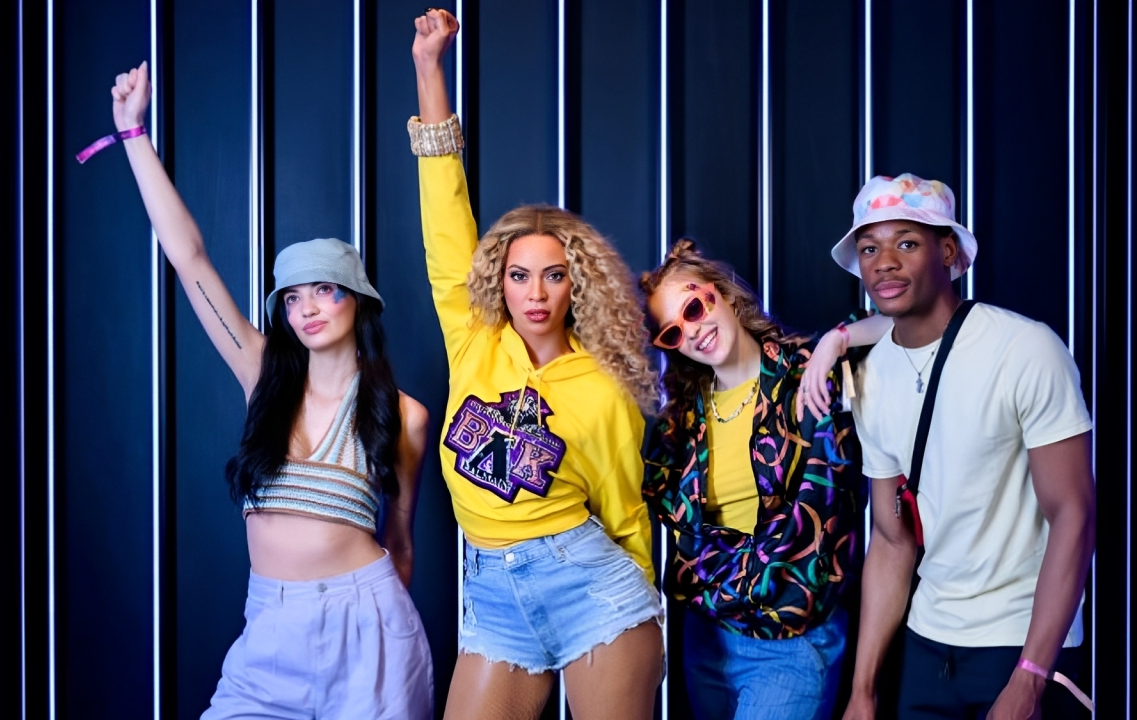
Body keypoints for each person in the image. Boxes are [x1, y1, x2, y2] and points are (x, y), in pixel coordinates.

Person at [108, 63, 434, 718]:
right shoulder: (262, 376)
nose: (307, 308)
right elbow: (188, 258)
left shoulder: (404, 414)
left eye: (325, 290)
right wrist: (133, 134)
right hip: (269, 626)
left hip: (367, 626)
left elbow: (400, 544)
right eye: (292, 297)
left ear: (358, 301)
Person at [408, 10, 664, 720]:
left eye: (554, 276)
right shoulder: (474, 339)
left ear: (578, 284)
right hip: (492, 595)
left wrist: (643, 599)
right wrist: (429, 68)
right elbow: (444, 214)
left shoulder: (604, 386)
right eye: (519, 276)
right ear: (499, 280)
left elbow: (624, 509)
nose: (536, 294)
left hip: (592, 591)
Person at [822, 174, 1095, 720]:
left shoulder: (1024, 348)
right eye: (870, 249)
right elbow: (891, 540)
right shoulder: (869, 376)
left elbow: (1074, 515)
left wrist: (1030, 679)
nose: (884, 263)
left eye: (906, 243)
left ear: (948, 252)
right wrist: (863, 690)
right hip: (927, 645)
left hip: (1019, 641)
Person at [638, 238, 888, 720]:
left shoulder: (811, 372)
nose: (692, 331)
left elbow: (905, 325)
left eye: (694, 308)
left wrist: (836, 341)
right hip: (708, 638)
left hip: (793, 640)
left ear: (724, 295)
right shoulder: (681, 420)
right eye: (672, 333)